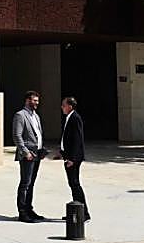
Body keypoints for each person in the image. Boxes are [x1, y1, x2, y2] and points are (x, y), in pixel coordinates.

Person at [12, 90, 48, 222]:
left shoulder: (36, 116)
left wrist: (41, 150)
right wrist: (25, 152)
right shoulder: (20, 115)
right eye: (34, 100)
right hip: (27, 155)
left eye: (38, 100)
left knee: (31, 183)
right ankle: (22, 212)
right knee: (25, 183)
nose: (37, 103)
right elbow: (17, 136)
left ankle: (29, 209)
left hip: (37, 154)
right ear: (28, 100)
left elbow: (38, 134)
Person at [56, 96, 89, 221]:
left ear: (70, 106)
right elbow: (67, 138)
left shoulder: (75, 118)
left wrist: (72, 158)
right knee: (72, 184)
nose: (62, 107)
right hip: (68, 156)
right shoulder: (69, 118)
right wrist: (62, 153)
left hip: (73, 159)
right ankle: (77, 210)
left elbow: (77, 140)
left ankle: (83, 212)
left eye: (63, 105)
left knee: (75, 184)